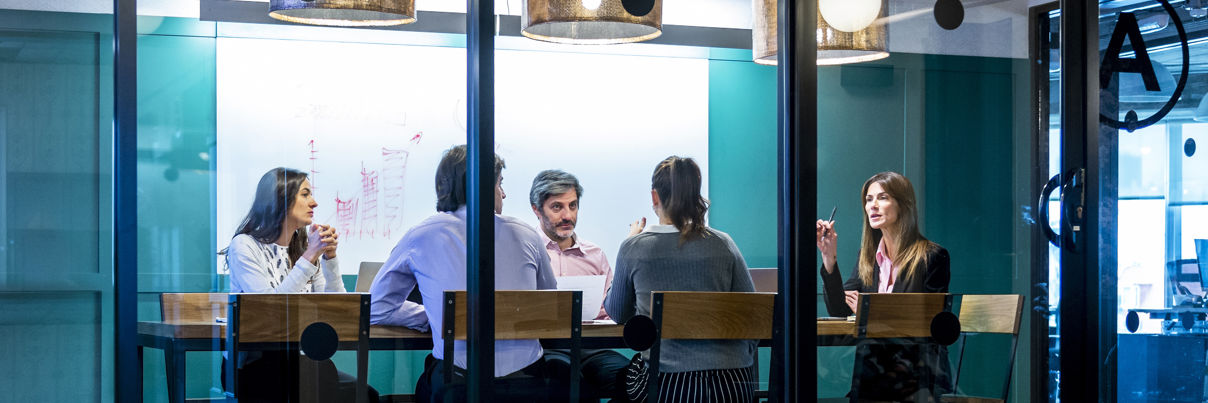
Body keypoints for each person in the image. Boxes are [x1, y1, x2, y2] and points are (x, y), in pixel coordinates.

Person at [369, 145, 559, 403]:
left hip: (457, 384)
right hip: (528, 382)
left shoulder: (421, 235)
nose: (503, 193)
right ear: (482, 184)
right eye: (499, 183)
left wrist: (436, 316)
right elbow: (549, 306)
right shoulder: (526, 233)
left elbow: (376, 308)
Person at [605, 156, 757, 403]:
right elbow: (752, 315)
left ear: (655, 197)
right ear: (695, 194)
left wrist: (630, 240)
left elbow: (617, 313)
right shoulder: (724, 244)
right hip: (733, 384)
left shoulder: (634, 247)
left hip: (667, 385)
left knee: (621, 380)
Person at [223, 167, 379, 403]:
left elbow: (337, 307)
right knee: (319, 374)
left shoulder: (303, 247)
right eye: (305, 194)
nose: (314, 203)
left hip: (299, 361)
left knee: (366, 394)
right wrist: (310, 256)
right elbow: (272, 310)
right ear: (280, 199)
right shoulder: (244, 246)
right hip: (254, 366)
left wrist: (330, 258)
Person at [816, 171, 952, 401]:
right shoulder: (867, 258)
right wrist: (829, 257)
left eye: (883, 197)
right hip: (875, 375)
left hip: (917, 376)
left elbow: (933, 324)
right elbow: (839, 309)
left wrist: (873, 312)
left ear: (903, 204)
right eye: (869, 199)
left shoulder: (932, 257)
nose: (873, 206)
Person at [527, 169, 630, 402]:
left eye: (573, 206)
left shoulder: (595, 254)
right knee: (568, 383)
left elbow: (610, 313)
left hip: (593, 350)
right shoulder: (525, 251)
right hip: (546, 351)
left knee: (634, 380)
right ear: (536, 210)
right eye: (557, 207)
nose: (568, 215)